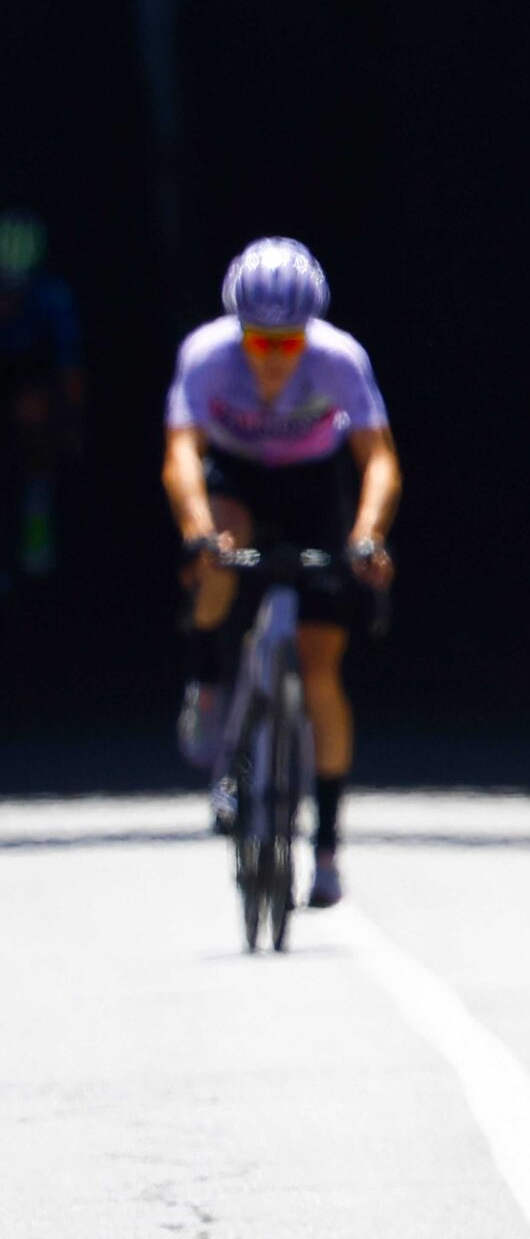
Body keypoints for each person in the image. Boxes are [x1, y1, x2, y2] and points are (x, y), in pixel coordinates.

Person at [163, 238, 401, 910]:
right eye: (258, 343)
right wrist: (195, 530)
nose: (272, 357)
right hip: (237, 477)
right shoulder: (207, 357)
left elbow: (378, 459)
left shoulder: (339, 360)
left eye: (287, 343)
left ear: (309, 333)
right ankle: (208, 682)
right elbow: (182, 450)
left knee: (321, 666)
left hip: (311, 485)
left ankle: (325, 844)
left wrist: (366, 534)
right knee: (219, 554)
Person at [0, 210, 85, 586]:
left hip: (34, 385)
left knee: (36, 438)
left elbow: (70, 372)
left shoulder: (54, 296)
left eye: (17, 289)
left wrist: (71, 422)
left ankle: (38, 553)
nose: (9, 298)